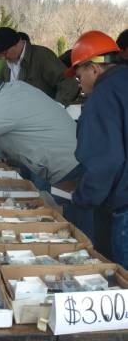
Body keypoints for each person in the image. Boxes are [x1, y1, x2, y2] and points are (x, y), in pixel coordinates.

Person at [65, 30, 128, 267]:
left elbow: (105, 161)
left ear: (95, 68)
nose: (78, 82)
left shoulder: (102, 97)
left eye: (79, 74)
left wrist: (82, 199)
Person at [0, 27, 79, 106]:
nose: (3, 58)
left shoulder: (42, 56)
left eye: (5, 53)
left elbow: (68, 82)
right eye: (0, 56)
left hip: (43, 117)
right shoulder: (6, 67)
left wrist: (57, 106)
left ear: (16, 43)